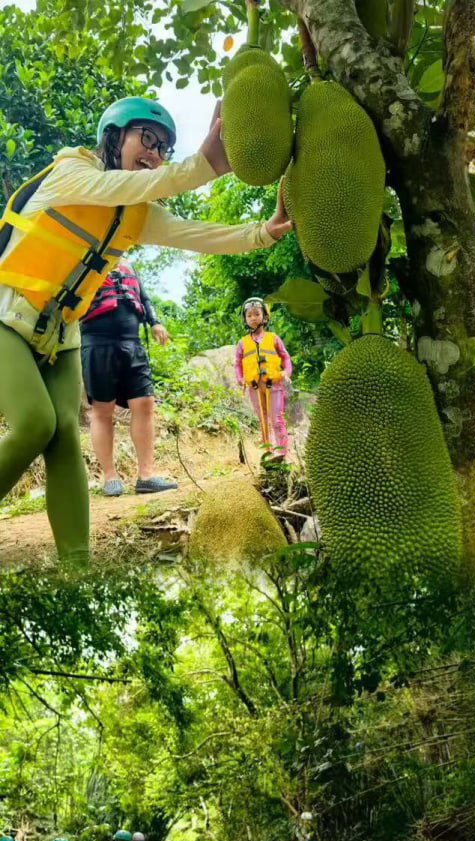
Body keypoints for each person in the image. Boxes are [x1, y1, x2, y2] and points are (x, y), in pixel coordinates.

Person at [0, 95, 292, 561]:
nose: (154, 154)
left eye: (163, 149)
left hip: (61, 334)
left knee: (64, 445)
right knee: (37, 423)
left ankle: (77, 569)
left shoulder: (134, 213)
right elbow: (143, 185)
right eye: (147, 139)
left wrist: (263, 232)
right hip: (7, 315)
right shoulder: (71, 175)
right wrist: (204, 167)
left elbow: (198, 235)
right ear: (114, 138)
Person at [80, 257, 176, 496]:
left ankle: (146, 475)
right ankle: (110, 476)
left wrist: (155, 322)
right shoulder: (84, 257)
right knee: (102, 410)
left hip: (132, 342)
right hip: (96, 342)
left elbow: (143, 297)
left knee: (145, 403)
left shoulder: (130, 263)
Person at [234, 298, 292, 460]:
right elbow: (237, 364)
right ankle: (269, 451)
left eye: (257, 314)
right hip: (254, 387)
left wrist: (287, 372)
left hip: (274, 385)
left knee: (276, 418)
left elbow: (285, 357)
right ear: (245, 319)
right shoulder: (242, 343)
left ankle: (282, 452)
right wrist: (240, 379)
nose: (253, 318)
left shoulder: (273, 338)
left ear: (265, 317)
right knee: (263, 420)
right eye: (249, 315)